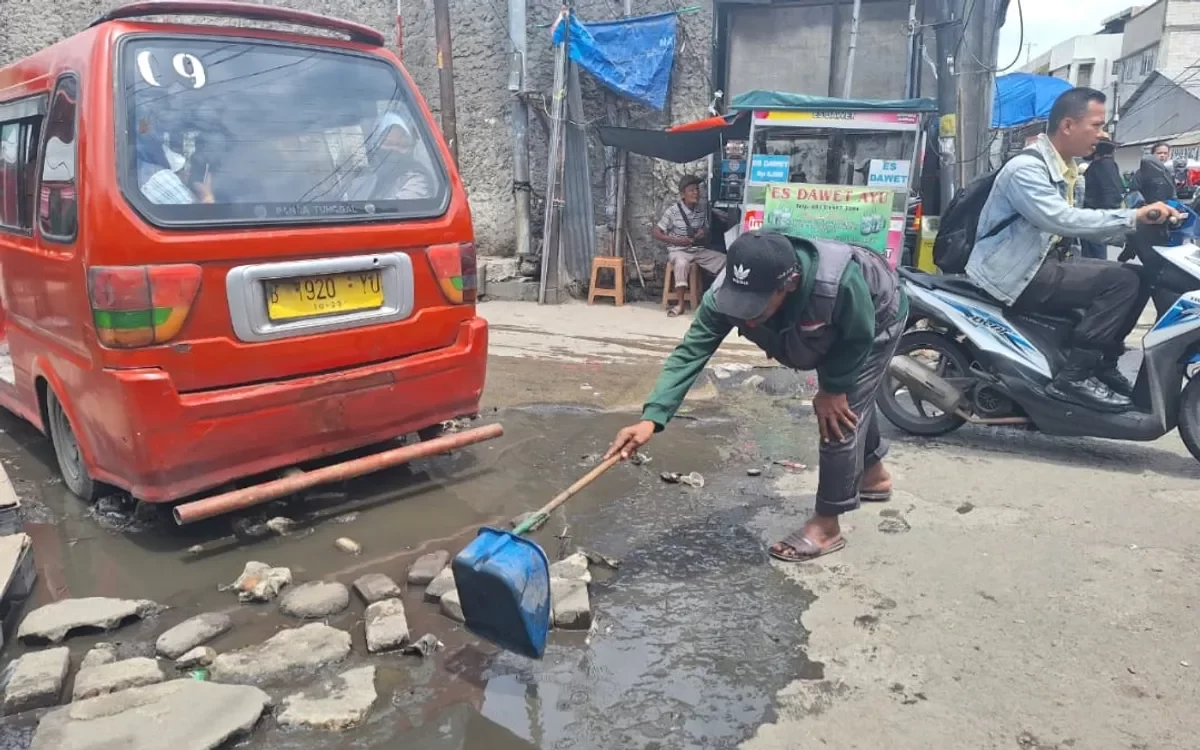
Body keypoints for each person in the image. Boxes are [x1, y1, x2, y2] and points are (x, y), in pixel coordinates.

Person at [606, 231, 907, 562]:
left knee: (837, 413)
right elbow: (692, 351)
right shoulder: (731, 289)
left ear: (789, 283)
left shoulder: (837, 285)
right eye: (740, 306)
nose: (746, 318)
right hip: (829, 322)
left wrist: (833, 388)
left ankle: (827, 525)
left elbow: (857, 337)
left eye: (756, 309)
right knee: (853, 404)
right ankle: (874, 477)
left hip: (875, 319)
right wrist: (653, 417)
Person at [967, 87, 1179, 413]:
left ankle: (1102, 364)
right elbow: (1061, 220)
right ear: (1068, 125)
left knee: (1138, 277)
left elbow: (1082, 224)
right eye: (1095, 125)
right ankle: (1075, 376)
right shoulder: (1026, 169)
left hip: (1039, 263)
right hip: (1014, 274)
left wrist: (1135, 234)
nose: (1102, 134)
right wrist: (1132, 217)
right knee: (1122, 282)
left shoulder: (1069, 172)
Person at [654, 175, 726, 316]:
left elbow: (706, 228)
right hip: (678, 250)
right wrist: (676, 241)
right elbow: (657, 232)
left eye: (697, 190)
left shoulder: (701, 209)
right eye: (692, 190)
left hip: (697, 250)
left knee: (726, 261)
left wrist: (702, 233)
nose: (696, 193)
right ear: (682, 194)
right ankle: (680, 305)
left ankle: (717, 299)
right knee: (681, 264)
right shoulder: (673, 211)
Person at [346, 112, 434, 201]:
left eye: (402, 145)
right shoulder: (370, 177)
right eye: (388, 143)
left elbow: (396, 209)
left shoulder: (417, 179)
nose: (394, 150)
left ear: (411, 148)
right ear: (376, 144)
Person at [137, 133, 214, 205]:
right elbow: (196, 214)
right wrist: (207, 195)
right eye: (185, 169)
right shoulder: (164, 179)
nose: (188, 173)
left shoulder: (148, 173)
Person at [1081, 136, 1125, 260]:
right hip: (1092, 215)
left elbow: (1111, 192)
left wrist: (1107, 216)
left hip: (1096, 216)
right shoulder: (1101, 165)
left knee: (1095, 254)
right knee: (1091, 252)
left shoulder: (1105, 165)